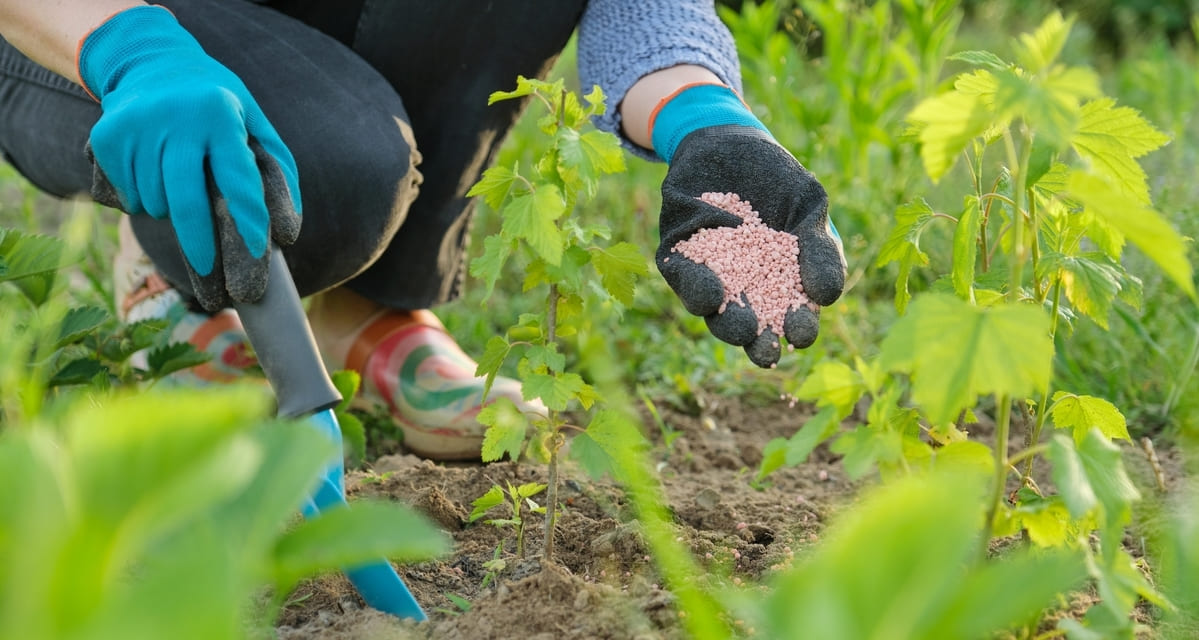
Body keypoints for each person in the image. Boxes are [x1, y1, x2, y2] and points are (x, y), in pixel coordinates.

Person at [0, 0, 846, 461]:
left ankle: (368, 303)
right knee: (330, 175)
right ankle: (178, 277)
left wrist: (706, 124)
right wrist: (131, 45)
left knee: (336, 162)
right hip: (78, 28)